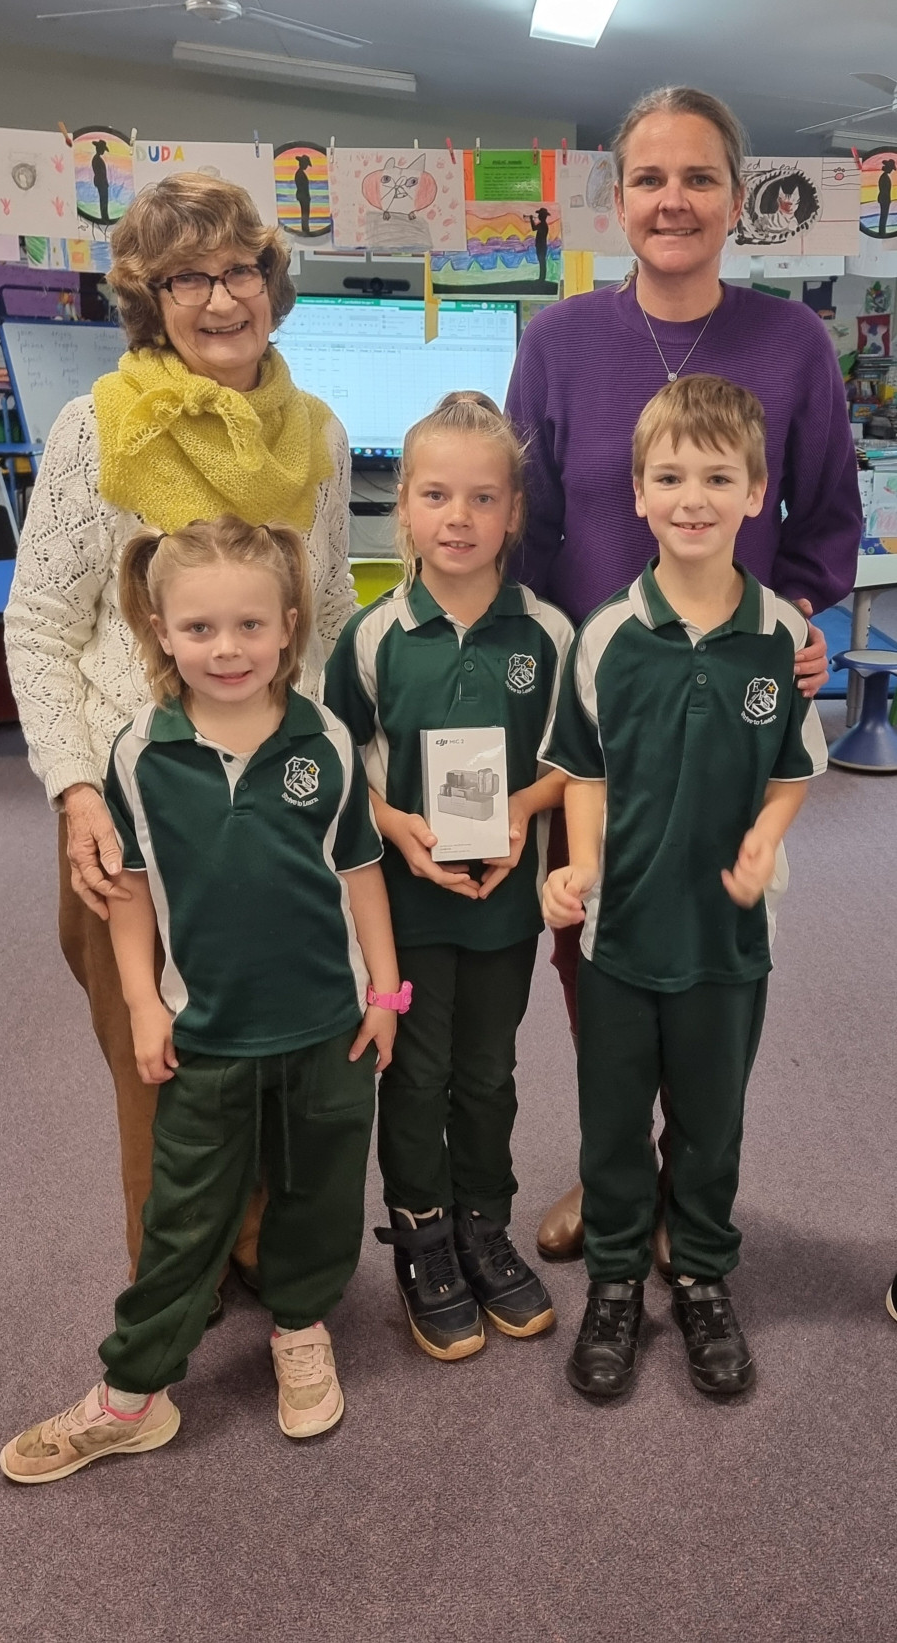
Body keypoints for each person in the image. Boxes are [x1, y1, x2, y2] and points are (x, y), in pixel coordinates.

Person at [505, 85, 861, 1262]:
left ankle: (678, 1176)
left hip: (724, 707)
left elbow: (824, 529)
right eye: (650, 178)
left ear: (736, 198)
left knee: (712, 937)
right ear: (617, 198)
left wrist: (793, 618)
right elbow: (528, 529)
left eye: (699, 177)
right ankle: (618, 1174)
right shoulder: (557, 344)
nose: (673, 199)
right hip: (594, 704)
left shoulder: (795, 345)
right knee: (589, 932)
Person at [5, 174, 357, 1303]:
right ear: (150, 299)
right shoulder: (97, 426)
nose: (219, 298)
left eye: (239, 269)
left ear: (272, 281)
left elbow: (334, 613)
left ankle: (261, 1239)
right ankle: (175, 1268)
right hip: (138, 794)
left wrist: (349, 773)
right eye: (186, 277)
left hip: (280, 790)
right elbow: (43, 623)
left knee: (269, 1029)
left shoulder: (319, 435)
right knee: (154, 1050)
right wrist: (74, 790)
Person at [0, 514, 401, 1482]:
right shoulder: (139, 753)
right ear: (160, 628)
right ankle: (132, 1392)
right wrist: (142, 999)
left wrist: (387, 989)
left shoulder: (328, 740)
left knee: (318, 1190)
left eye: (251, 627)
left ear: (290, 626)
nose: (228, 649)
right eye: (202, 628)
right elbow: (129, 888)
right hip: (208, 1031)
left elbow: (359, 869)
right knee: (183, 1212)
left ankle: (300, 1329)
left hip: (328, 1027)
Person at [541, 375, 827, 1399]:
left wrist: (764, 837)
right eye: (670, 475)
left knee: (712, 1120)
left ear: (758, 492)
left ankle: (702, 1270)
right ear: (637, 492)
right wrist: (578, 863)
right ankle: (616, 1278)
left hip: (728, 945)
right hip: (621, 937)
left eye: (718, 475)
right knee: (612, 1119)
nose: (692, 494)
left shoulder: (784, 642)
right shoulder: (607, 635)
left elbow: (794, 771)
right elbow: (585, 769)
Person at [323, 393, 574, 1360]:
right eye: (436, 494)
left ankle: (484, 1222)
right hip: (409, 906)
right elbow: (342, 771)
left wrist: (521, 812)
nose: (458, 517)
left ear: (515, 512)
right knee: (417, 1073)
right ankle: (422, 1231)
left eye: (482, 497)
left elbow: (574, 764)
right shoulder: (375, 637)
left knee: (491, 1071)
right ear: (405, 508)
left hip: (506, 903)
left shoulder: (547, 636)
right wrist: (394, 822)